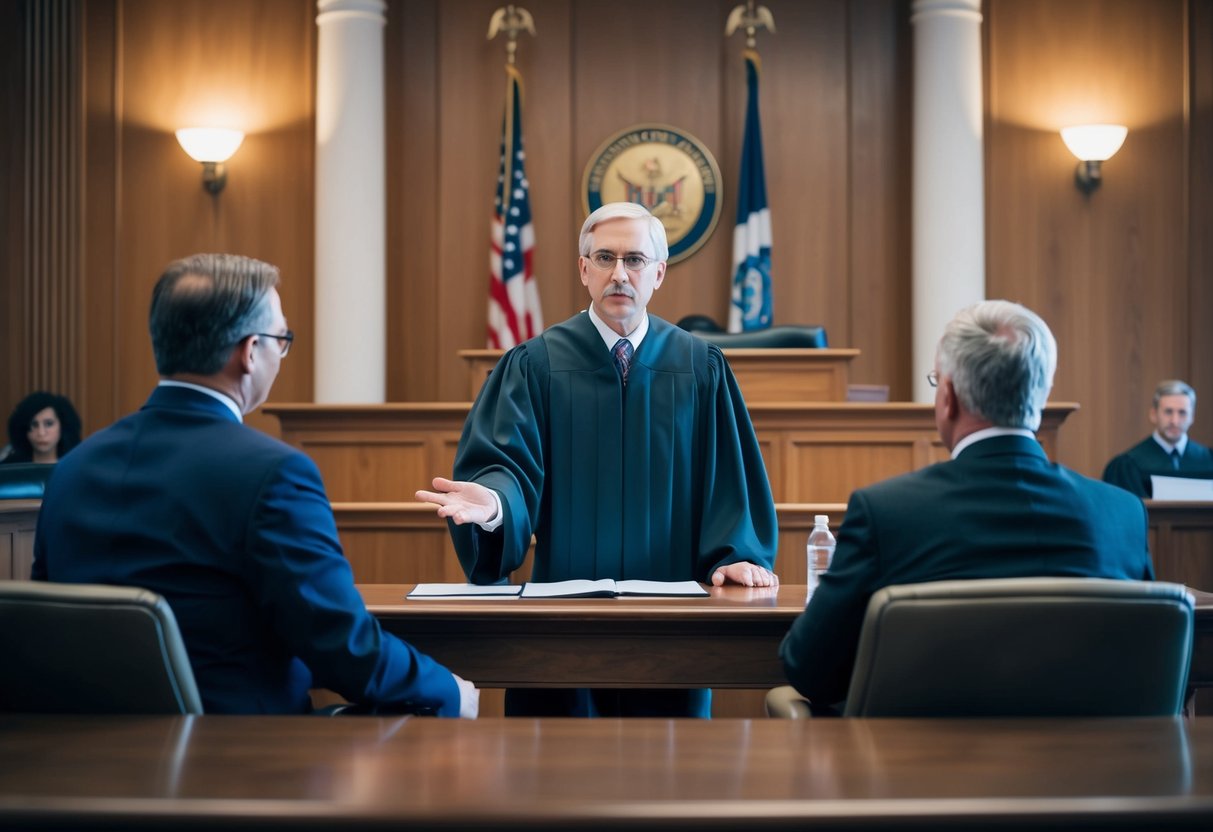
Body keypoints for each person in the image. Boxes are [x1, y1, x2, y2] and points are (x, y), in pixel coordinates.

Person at [32, 253, 477, 718]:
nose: (280, 354)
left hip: (80, 758)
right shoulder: (274, 473)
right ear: (249, 352)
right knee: (431, 712)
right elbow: (344, 648)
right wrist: (451, 691)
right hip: (241, 761)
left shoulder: (70, 470)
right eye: (281, 340)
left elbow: (48, 630)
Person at [417, 202, 778, 718]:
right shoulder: (536, 365)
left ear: (658, 273)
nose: (619, 274)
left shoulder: (700, 368)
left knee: (670, 773)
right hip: (561, 621)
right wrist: (495, 505)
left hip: (671, 623)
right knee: (557, 771)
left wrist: (737, 552)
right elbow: (506, 464)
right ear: (583, 269)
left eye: (634, 260)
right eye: (604, 258)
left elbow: (729, 479)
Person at [779, 300, 1154, 711]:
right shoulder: (1123, 514)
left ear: (948, 398)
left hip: (925, 771)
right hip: (1092, 769)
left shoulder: (886, 513)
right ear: (1042, 394)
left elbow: (808, 666)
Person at [1102, 380, 1213, 498]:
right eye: (1168, 412)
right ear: (1153, 414)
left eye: (1182, 413)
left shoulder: (1209, 460)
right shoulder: (1128, 465)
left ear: (1192, 417)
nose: (1174, 421)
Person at [2, 391, 82, 464]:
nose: (41, 433)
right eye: (34, 425)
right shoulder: (8, 468)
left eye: (49, 424)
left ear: (63, 426)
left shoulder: (76, 468)